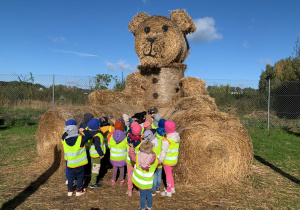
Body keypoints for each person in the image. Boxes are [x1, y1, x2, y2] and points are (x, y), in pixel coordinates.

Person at [62, 120, 93, 196]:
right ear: (76, 130)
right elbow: (89, 136)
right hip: (79, 164)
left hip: (70, 163)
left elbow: (64, 136)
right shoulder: (80, 139)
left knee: (71, 176)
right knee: (80, 176)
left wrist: (69, 130)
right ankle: (79, 190)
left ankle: (70, 190)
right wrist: (83, 130)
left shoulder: (65, 140)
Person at [129, 139, 158, 210]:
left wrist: (132, 148)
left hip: (141, 182)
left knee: (142, 195)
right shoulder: (154, 159)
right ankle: (149, 207)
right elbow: (159, 162)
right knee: (149, 194)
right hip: (149, 182)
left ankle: (142, 207)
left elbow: (132, 156)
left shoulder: (138, 157)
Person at [159, 121, 180, 197]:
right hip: (174, 160)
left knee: (168, 175)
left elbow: (163, 151)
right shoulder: (177, 137)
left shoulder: (166, 140)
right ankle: (172, 188)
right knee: (170, 174)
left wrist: (160, 160)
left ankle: (168, 191)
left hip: (167, 161)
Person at [143, 130, 162, 196]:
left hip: (153, 162)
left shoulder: (149, 144)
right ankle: (158, 188)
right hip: (159, 161)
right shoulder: (159, 141)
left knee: (153, 175)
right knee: (159, 174)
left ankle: (153, 190)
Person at [87, 118, 105, 189]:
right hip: (97, 155)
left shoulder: (89, 132)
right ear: (97, 127)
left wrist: (100, 120)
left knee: (93, 166)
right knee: (95, 168)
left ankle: (93, 177)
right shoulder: (97, 136)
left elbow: (95, 124)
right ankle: (93, 183)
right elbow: (97, 147)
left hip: (92, 154)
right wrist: (101, 154)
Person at [126, 123, 143, 196]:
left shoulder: (128, 138)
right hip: (137, 161)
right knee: (138, 175)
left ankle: (129, 190)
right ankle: (139, 190)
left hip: (129, 161)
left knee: (130, 175)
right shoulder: (141, 141)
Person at [62, 119, 77, 185]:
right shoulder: (76, 135)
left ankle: (68, 179)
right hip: (74, 155)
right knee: (75, 168)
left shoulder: (63, 134)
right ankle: (74, 179)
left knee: (68, 167)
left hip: (67, 155)